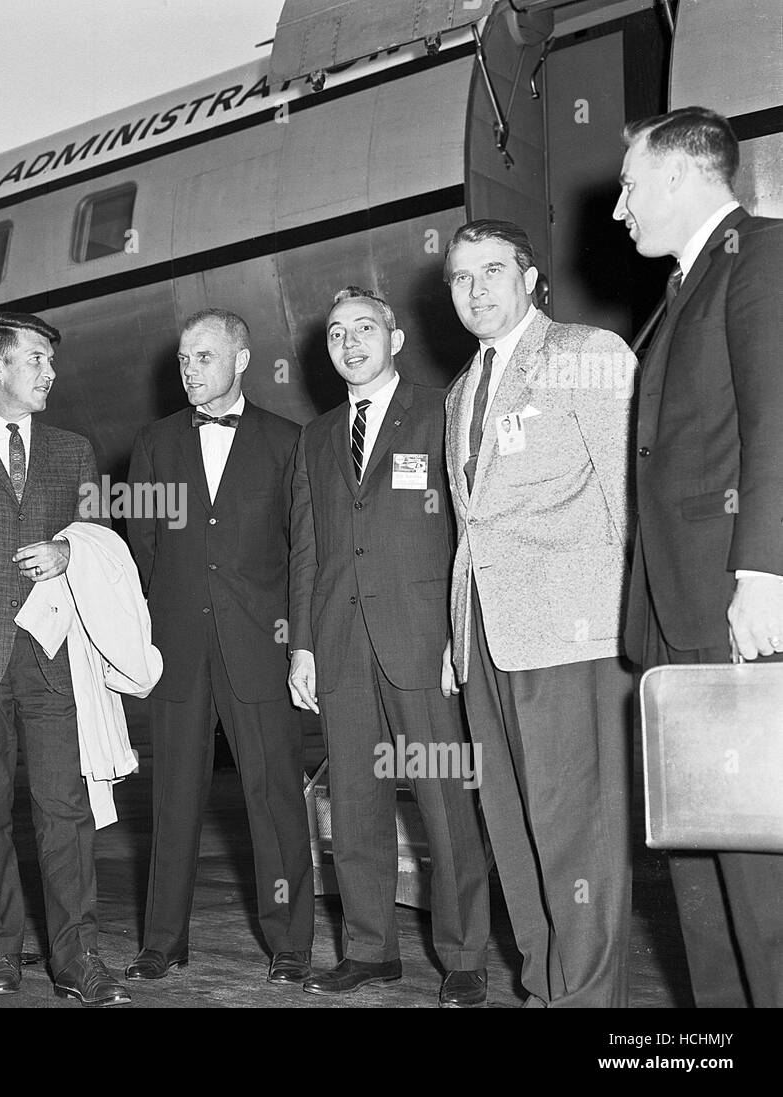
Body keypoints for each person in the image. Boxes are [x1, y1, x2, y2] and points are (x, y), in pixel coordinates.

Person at [442, 220, 636, 1007]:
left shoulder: (587, 355)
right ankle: (547, 991)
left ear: (529, 277)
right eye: (460, 278)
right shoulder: (461, 390)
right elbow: (471, 526)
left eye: (493, 270)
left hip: (572, 633)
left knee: (576, 835)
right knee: (515, 833)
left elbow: (629, 500)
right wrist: (454, 638)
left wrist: (640, 627)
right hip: (486, 637)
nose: (477, 288)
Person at [615, 106, 783, 1008]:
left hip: (735, 611)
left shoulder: (762, 256)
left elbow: (778, 421)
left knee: (761, 879)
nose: (618, 209)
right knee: (697, 867)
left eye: (631, 185)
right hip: (677, 623)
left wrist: (765, 574)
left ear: (683, 174)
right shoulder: (684, 288)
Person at [288, 287, 490, 1005]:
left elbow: (471, 527)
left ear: (395, 338)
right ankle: (370, 948)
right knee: (355, 801)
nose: (349, 342)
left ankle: (465, 955)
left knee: (444, 801)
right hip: (341, 646)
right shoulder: (314, 437)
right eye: (337, 332)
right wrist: (303, 647)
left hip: (422, 642)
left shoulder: (442, 410)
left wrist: (458, 631)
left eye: (364, 328)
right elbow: (307, 548)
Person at [0, 311, 128, 1006]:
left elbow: (102, 541)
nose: (50, 372)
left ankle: (77, 954)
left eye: (51, 360)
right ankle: (0, 948)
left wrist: (71, 551)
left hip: (51, 654)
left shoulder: (74, 449)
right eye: (36, 358)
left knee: (65, 808)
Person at [125, 308, 315, 987]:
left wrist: (300, 646)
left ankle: (290, 943)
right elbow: (140, 552)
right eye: (183, 358)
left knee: (274, 799)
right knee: (173, 798)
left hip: (259, 647)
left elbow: (303, 557)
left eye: (203, 356)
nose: (189, 369)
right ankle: (162, 941)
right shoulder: (153, 444)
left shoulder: (288, 442)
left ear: (241, 359)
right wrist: (136, 644)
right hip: (177, 647)